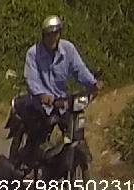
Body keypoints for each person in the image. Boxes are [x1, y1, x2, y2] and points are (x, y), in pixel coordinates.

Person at [18, 15, 99, 170]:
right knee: (38, 133)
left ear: (60, 33)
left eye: (55, 33)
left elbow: (79, 69)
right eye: (49, 34)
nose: (52, 37)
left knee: (73, 127)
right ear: (43, 35)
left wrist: (93, 84)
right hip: (39, 104)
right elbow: (31, 79)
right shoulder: (33, 53)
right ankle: (29, 160)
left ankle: (61, 161)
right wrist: (42, 95)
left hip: (61, 102)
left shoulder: (68, 49)